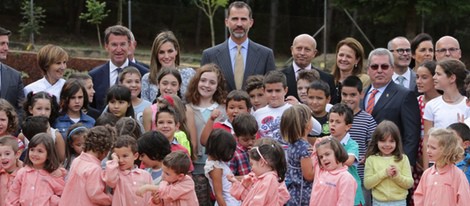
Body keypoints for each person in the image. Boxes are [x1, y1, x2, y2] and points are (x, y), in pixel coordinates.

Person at [362, 48, 421, 167]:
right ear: (368, 70)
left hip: (393, 165)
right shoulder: (360, 95)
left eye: (384, 66)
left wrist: (405, 165)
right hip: (363, 165)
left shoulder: (405, 95)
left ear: (392, 69)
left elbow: (412, 136)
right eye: (374, 67)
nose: (379, 71)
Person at [201, 1, 275, 92]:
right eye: (235, 19)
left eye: (243, 19)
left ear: (251, 23)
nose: (239, 24)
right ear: (227, 22)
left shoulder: (266, 55)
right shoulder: (209, 55)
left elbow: (272, 88)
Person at [185, 63, 227, 205]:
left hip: (218, 168)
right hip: (196, 168)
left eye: (212, 82)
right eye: (203, 80)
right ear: (197, 82)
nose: (206, 85)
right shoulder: (188, 108)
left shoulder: (223, 109)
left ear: (217, 86)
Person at [254, 70, 321, 148]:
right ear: (263, 91)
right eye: (269, 91)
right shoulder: (257, 114)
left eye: (278, 91)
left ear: (285, 90)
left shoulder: (293, 109)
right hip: (266, 157)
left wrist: (299, 107)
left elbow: (317, 130)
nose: (274, 95)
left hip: (290, 157)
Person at [89, 25, 148, 112]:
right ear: (106, 46)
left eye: (123, 44)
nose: (119, 49)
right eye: (114, 45)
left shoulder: (144, 74)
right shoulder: (94, 76)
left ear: (129, 45)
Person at [423, 59, 468, 169]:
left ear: (452, 78)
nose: (434, 77)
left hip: (462, 165)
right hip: (438, 164)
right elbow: (426, 139)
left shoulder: (467, 105)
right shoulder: (431, 105)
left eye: (438, 74)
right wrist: (427, 168)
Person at [341, 75, 377, 205]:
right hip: (337, 177)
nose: (348, 99)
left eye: (352, 95)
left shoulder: (368, 120)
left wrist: (367, 157)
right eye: (344, 94)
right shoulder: (334, 116)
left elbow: (375, 145)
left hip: (360, 177)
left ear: (361, 95)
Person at [59, 125, 115, 205]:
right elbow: (95, 195)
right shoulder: (94, 169)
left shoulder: (77, 160)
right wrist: (111, 199)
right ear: (104, 151)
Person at [6, 133, 66, 206]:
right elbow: (13, 195)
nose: (34, 154)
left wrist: (53, 200)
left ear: (49, 154)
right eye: (32, 150)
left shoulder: (54, 174)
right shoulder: (22, 173)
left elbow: (64, 195)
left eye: (40, 151)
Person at [414, 128, 470, 205]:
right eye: (428, 146)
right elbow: (419, 197)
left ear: (447, 150)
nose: (428, 151)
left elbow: (464, 201)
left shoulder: (458, 175)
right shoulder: (427, 174)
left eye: (433, 148)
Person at [364, 120, 413, 205]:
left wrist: (397, 176)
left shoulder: (403, 158)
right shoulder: (371, 159)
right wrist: (384, 173)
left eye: (391, 141)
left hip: (399, 202)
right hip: (378, 203)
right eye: (383, 141)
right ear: (376, 141)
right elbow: (367, 184)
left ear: (397, 142)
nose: (387, 144)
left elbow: (409, 183)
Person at [228, 141, 290, 206]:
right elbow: (249, 197)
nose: (251, 168)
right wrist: (235, 182)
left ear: (262, 162)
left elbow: (257, 202)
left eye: (252, 164)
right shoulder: (264, 178)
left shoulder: (269, 179)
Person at [141, 31, 195, 103]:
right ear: (156, 54)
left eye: (170, 51)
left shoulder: (189, 74)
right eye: (161, 52)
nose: (166, 56)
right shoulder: (147, 79)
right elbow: (145, 109)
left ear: (176, 51)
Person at [282, 34, 337, 103]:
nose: (302, 53)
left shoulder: (327, 79)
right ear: (292, 50)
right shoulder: (279, 77)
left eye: (307, 50)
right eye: (299, 49)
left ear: (314, 53)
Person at [329, 103, 364, 205]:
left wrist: (329, 155)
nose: (333, 124)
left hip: (352, 194)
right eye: (331, 121)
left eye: (338, 122)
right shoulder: (325, 142)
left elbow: (349, 161)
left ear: (348, 127)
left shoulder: (352, 144)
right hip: (332, 189)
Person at [103, 135, 153, 206]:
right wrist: (114, 161)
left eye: (125, 156)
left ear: (135, 156)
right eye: (117, 156)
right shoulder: (116, 175)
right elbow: (110, 180)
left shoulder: (146, 175)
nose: (121, 160)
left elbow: (150, 197)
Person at [282, 104, 314, 205]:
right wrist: (321, 167)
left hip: (293, 191)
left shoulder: (292, 142)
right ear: (307, 125)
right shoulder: (305, 148)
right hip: (303, 194)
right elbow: (308, 175)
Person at [309, 137, 357, 206]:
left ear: (338, 152)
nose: (324, 158)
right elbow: (314, 155)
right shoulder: (320, 172)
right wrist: (320, 140)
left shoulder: (345, 178)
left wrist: (330, 139)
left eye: (327, 154)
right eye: (321, 157)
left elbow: (345, 203)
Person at [21, 92, 65, 162]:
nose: (43, 113)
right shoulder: (23, 134)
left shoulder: (56, 135)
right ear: (30, 109)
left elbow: (61, 159)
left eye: (47, 109)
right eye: (39, 108)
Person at [204, 129, 239, 206]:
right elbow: (218, 195)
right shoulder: (215, 168)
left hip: (233, 199)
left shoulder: (217, 163)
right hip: (228, 202)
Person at [331, 37, 370, 102]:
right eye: (341, 55)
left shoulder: (364, 80)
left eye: (348, 56)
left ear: (357, 60)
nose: (343, 59)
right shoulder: (329, 79)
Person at [155, 105, 193, 171]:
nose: (165, 126)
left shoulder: (182, 151)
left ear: (177, 126)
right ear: (156, 125)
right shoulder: (150, 148)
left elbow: (188, 174)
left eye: (169, 122)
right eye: (161, 122)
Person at [0, 27, 25, 119]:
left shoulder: (15, 76)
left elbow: (21, 109)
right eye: (2, 44)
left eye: (7, 44)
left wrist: (11, 130)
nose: (6, 48)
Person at [0, 135, 22, 205]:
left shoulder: (23, 175)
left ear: (17, 154)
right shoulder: (1, 173)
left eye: (7, 154)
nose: (3, 157)